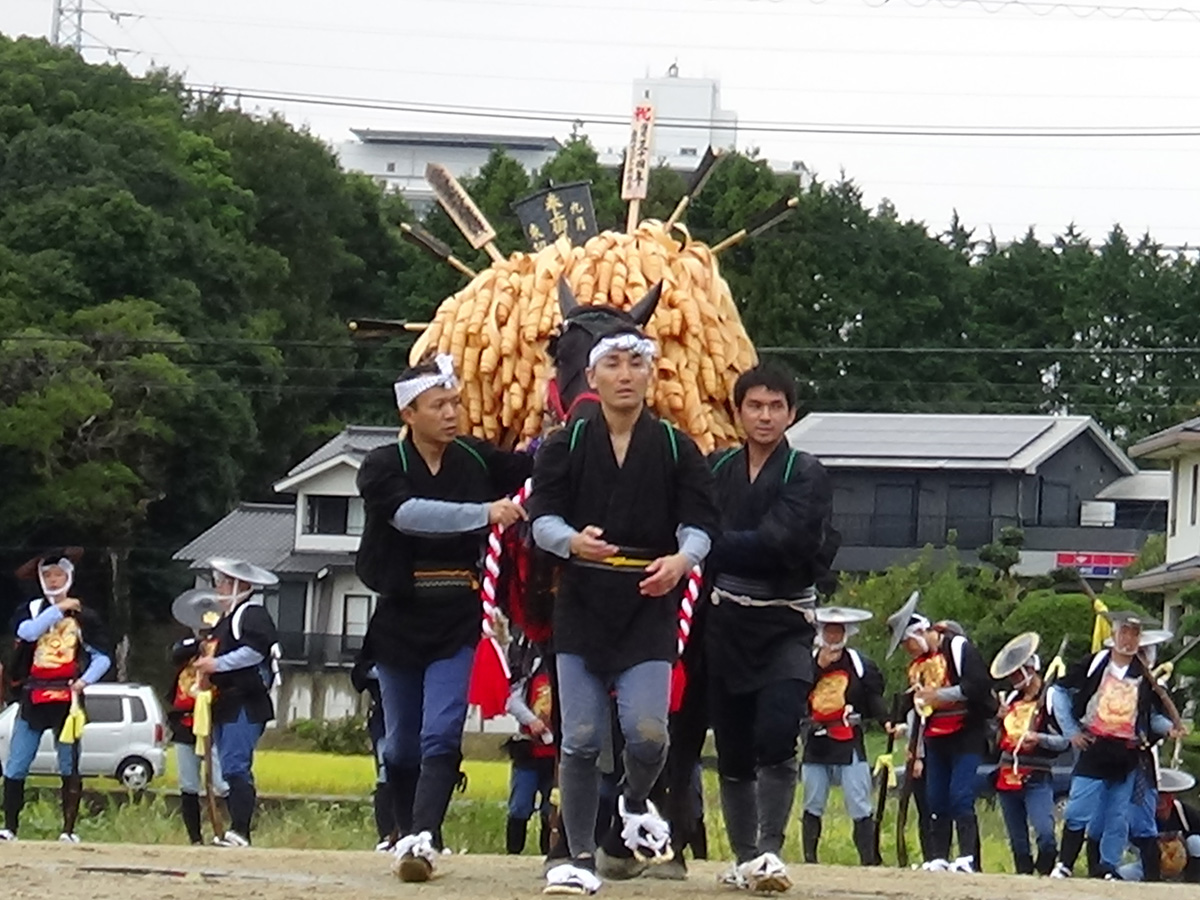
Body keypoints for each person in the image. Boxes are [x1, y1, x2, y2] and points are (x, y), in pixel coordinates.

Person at [529, 325, 719, 895]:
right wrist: (570, 541)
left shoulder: (676, 447)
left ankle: (634, 801)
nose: (626, 375)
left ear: (651, 375)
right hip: (582, 600)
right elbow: (541, 519)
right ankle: (578, 854)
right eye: (613, 364)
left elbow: (700, 524)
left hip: (648, 600)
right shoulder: (564, 445)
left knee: (647, 733)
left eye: (636, 364)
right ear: (592, 376)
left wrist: (682, 561)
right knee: (581, 738)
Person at [356, 351, 532, 882]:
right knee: (400, 742)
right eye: (438, 405)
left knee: (442, 730)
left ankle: (425, 836)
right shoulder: (383, 465)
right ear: (409, 414)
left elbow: (537, 468)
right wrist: (484, 513)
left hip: (458, 612)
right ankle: (403, 829)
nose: (451, 414)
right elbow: (408, 516)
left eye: (455, 403)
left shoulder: (476, 458)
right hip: (399, 615)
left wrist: (561, 427)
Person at [704, 364, 835, 893]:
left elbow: (785, 542)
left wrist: (710, 544)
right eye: (755, 406)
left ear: (791, 413)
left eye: (776, 406)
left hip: (787, 621)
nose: (765, 416)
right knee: (733, 745)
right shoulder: (717, 468)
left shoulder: (805, 472)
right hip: (725, 620)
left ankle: (770, 852)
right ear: (737, 412)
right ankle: (744, 858)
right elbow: (692, 525)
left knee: (778, 731)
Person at [1048, 611, 1177, 879]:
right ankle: (1065, 864)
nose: (1128, 640)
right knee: (1078, 809)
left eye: (1134, 634)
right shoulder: (1095, 664)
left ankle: (1108, 866)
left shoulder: (1144, 675)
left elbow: (1150, 717)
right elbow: (1058, 691)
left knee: (1117, 815)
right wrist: (1071, 731)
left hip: (1127, 753)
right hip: (1094, 747)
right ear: (1114, 635)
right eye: (1124, 632)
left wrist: (1169, 728)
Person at [2, 548, 111, 843]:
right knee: (17, 762)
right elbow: (27, 633)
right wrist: (59, 609)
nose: (53, 580)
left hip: (67, 697)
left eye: (59, 575)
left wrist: (85, 681)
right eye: (47, 575)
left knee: (69, 763)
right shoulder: (31, 610)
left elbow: (102, 656)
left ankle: (68, 829)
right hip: (34, 692)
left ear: (69, 577)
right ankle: (10, 827)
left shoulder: (85, 616)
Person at [886, 591, 995, 873]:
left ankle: (968, 857)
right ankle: (938, 855)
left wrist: (940, 695)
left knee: (960, 794)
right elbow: (917, 705)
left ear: (920, 633)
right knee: (935, 797)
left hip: (966, 731)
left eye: (908, 643)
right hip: (934, 735)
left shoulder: (958, 647)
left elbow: (978, 685)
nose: (908, 649)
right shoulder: (918, 666)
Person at [192, 557, 281, 848]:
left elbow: (255, 651)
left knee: (235, 766)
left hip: (245, 701)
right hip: (224, 702)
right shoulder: (224, 621)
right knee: (225, 768)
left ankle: (241, 830)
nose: (218, 588)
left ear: (240, 585)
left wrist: (216, 665)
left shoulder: (251, 614)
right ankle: (235, 829)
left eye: (223, 583)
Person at [801, 606, 885, 868]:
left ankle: (868, 860)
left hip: (848, 740)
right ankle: (810, 860)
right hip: (816, 742)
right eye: (829, 631)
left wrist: (887, 721)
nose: (833, 636)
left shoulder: (859, 664)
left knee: (859, 802)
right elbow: (797, 693)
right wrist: (818, 667)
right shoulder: (806, 662)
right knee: (813, 801)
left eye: (838, 632)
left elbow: (873, 697)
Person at [988, 632, 1068, 876]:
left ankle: (1045, 873)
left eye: (1016, 674)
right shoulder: (1011, 699)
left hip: (1036, 775)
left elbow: (1065, 741)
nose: (1013, 679)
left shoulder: (1051, 698)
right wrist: (997, 721)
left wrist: (1039, 738)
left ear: (1030, 670)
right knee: (1018, 841)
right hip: (1007, 774)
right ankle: (1022, 879)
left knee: (1045, 834)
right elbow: (996, 741)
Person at [167, 587, 230, 845]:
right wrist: (199, 644)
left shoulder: (225, 641)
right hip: (185, 720)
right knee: (188, 783)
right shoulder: (187, 644)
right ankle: (194, 837)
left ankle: (229, 831)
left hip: (214, 718)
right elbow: (176, 655)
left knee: (221, 780)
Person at [504, 633, 557, 856]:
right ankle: (513, 854)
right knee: (520, 805)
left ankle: (547, 854)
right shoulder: (528, 663)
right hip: (529, 750)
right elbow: (511, 699)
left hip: (556, 755)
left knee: (550, 808)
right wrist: (531, 721)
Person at [1117, 767, 1200, 882]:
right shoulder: (1140, 814)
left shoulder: (1184, 813)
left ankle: (1194, 881)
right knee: (1122, 873)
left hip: (1182, 866)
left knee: (1196, 841)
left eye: (1164, 796)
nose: (1159, 801)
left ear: (1171, 798)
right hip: (1146, 865)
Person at [350, 651, 395, 850]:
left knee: (423, 772)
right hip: (383, 719)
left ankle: (423, 834)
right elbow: (359, 676)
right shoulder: (378, 645)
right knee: (386, 774)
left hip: (420, 717)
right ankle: (387, 835)